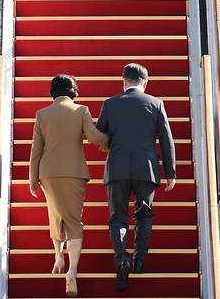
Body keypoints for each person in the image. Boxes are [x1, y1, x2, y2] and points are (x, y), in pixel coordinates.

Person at [96, 63, 177, 291]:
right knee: (144, 216)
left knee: (118, 217)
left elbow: (101, 136)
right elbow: (166, 140)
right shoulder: (156, 103)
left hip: (117, 169)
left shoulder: (110, 104)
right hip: (146, 169)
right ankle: (139, 259)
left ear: (123, 82)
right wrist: (170, 172)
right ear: (145, 82)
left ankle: (122, 258)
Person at [29, 75, 108, 297]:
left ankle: (58, 257)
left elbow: (36, 151)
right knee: (73, 220)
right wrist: (111, 141)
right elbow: (93, 137)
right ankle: (72, 270)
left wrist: (32, 179)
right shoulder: (81, 110)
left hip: (48, 173)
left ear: (52, 92)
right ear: (74, 90)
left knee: (55, 216)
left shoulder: (42, 114)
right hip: (74, 172)